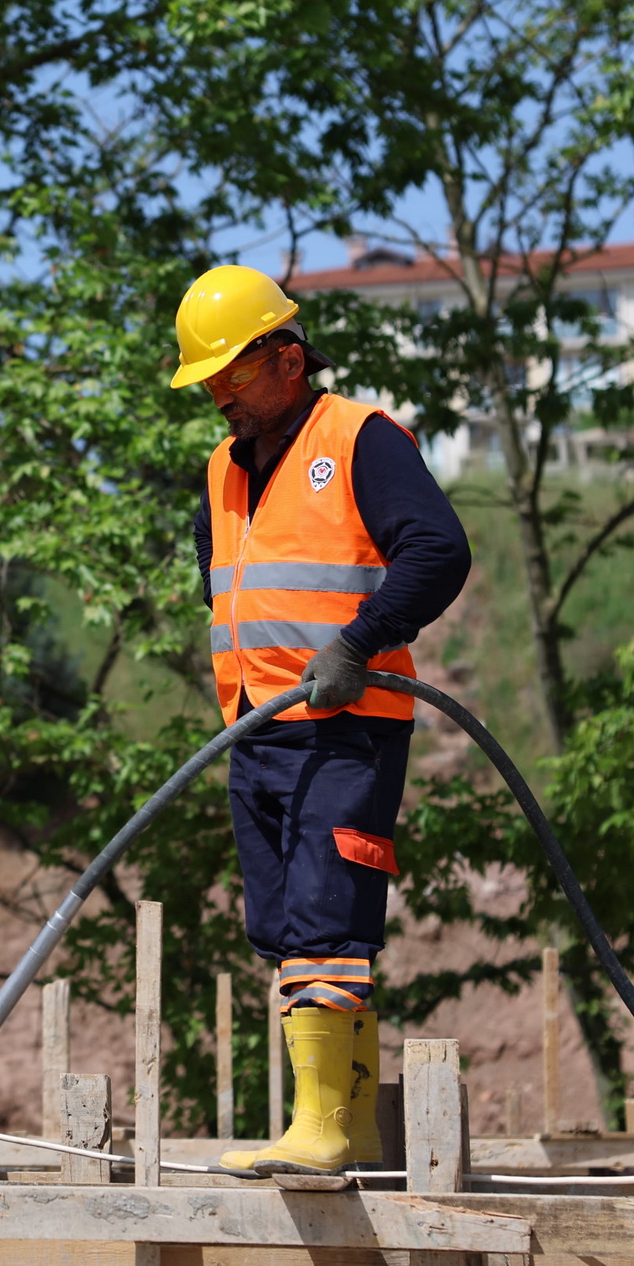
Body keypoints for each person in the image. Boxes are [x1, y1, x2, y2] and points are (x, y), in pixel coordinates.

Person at [171, 267, 472, 1176]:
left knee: (325, 917)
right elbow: (220, 572)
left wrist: (360, 643)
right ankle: (354, 1126)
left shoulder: (359, 439)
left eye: (231, 375)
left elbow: (440, 549)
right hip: (255, 729)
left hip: (347, 723)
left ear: (288, 358)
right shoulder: (224, 468)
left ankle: (322, 1130)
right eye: (209, 381)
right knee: (282, 926)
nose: (218, 396)